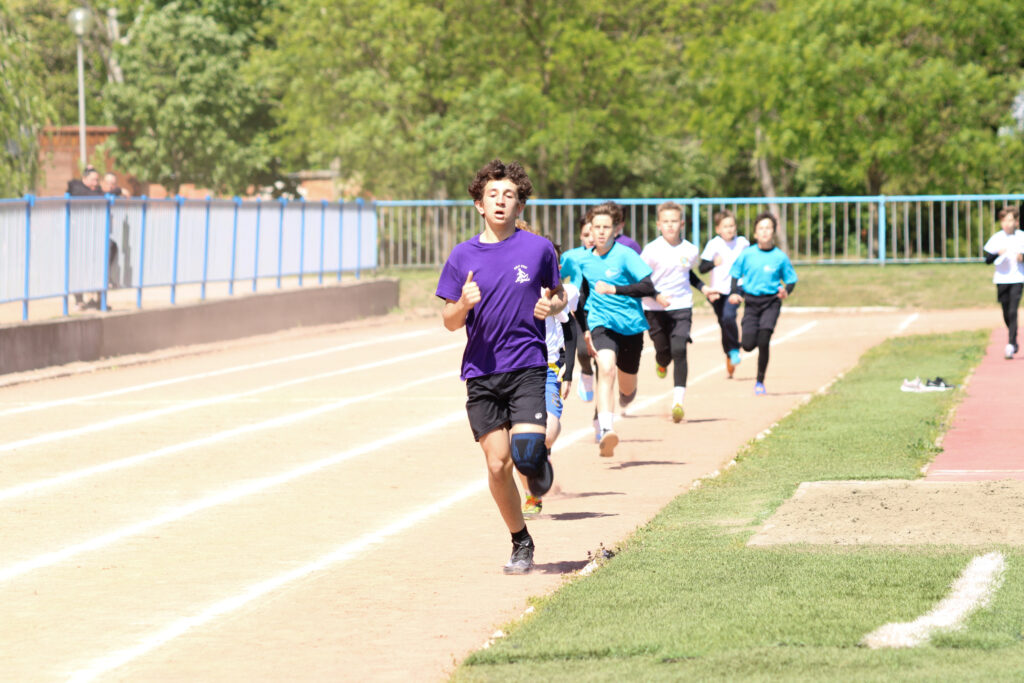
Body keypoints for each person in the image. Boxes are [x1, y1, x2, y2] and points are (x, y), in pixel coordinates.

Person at [435, 159, 565, 574]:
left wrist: (551, 305)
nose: (500, 201)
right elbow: (449, 321)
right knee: (496, 464)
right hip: (482, 372)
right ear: (479, 204)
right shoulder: (462, 255)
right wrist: (463, 303)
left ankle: (536, 465)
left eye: (509, 195)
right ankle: (520, 540)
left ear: (519, 205)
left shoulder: (538, 249)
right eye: (492, 194)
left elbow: (559, 295)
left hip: (527, 365)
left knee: (525, 455)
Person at [577, 203, 655, 457]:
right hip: (602, 323)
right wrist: (585, 329)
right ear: (590, 229)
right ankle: (606, 429)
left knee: (627, 388)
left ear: (615, 230)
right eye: (596, 227)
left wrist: (616, 290)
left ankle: (626, 395)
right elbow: (582, 294)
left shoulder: (626, 255)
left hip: (631, 326)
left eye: (606, 227)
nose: (601, 232)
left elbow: (648, 286)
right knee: (606, 368)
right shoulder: (583, 260)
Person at [515, 220, 580, 517]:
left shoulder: (550, 288)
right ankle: (532, 495)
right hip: (514, 370)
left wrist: (569, 372)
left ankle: (543, 453)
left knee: (548, 433)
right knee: (520, 441)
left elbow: (570, 328)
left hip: (548, 368)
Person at [641, 201, 718, 422]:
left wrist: (704, 288)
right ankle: (661, 361)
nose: (670, 225)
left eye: (674, 221)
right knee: (663, 351)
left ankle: (678, 402)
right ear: (658, 224)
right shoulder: (651, 250)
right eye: (665, 221)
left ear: (682, 223)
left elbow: (688, 274)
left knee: (679, 349)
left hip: (682, 305)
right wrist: (656, 295)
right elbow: (641, 277)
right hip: (654, 307)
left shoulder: (690, 250)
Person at [728, 212, 798, 395]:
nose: (765, 231)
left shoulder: (780, 257)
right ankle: (737, 348)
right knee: (748, 344)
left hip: (771, 302)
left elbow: (791, 279)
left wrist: (786, 291)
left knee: (764, 339)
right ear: (755, 233)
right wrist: (735, 292)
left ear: (773, 232)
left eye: (768, 228)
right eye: (761, 228)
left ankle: (760, 381)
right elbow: (735, 273)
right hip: (751, 302)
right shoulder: (748, 254)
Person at [699, 209, 750, 377]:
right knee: (723, 322)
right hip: (717, 290)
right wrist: (713, 263)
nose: (729, 229)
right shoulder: (714, 244)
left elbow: (750, 262)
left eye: (732, 225)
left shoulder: (742, 243)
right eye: (725, 226)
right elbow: (702, 268)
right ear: (718, 229)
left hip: (736, 287)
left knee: (729, 316)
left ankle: (734, 349)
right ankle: (729, 353)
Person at [558, 213, 596, 401]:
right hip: (580, 311)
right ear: (580, 235)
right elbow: (557, 277)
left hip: (602, 310)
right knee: (582, 350)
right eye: (586, 234)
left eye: (593, 233)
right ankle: (587, 371)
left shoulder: (607, 256)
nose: (591, 238)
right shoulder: (571, 257)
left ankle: (601, 409)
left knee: (603, 356)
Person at [982, 206, 1024, 359]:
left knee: (1013, 311)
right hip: (1001, 279)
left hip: (1017, 278)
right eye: (1004, 220)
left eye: (1010, 220)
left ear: (1016, 222)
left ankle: (1011, 344)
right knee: (1006, 312)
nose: (1007, 224)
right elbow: (987, 260)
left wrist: (1022, 258)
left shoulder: (1021, 237)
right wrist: (997, 253)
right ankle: (1013, 337)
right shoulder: (997, 238)